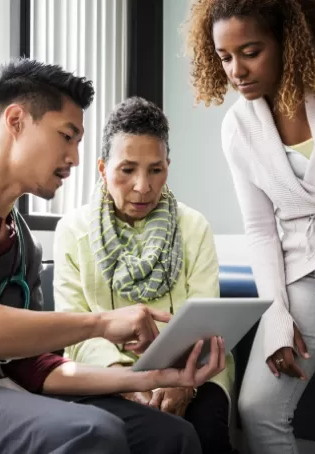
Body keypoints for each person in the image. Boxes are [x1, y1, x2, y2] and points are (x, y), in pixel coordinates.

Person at [0, 59, 228, 454]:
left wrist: (151, 377)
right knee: (91, 433)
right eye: (66, 136)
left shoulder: (22, 245)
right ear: (16, 121)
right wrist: (102, 323)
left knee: (171, 436)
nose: (74, 157)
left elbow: (35, 367)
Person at [186, 0, 315, 453]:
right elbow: (259, 228)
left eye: (251, 51)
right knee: (257, 408)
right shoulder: (238, 127)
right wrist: (277, 314)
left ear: (289, 41)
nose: (236, 70)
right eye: (224, 57)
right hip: (303, 265)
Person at [54, 96, 237, 454]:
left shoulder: (193, 226)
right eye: (127, 170)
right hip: (106, 374)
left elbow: (207, 323)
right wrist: (125, 379)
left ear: (168, 166)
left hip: (196, 371)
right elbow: (74, 331)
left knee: (207, 435)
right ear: (103, 168)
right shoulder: (72, 231)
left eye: (156, 170)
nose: (143, 186)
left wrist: (183, 382)